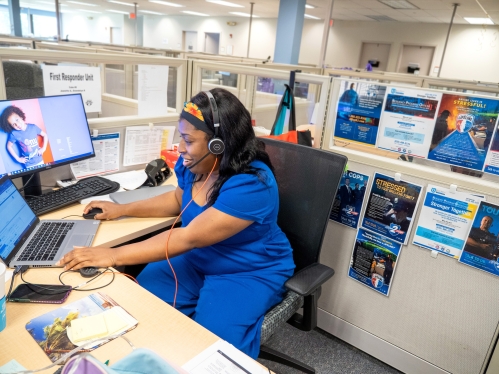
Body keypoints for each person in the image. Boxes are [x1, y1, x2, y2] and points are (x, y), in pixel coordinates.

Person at [56, 88, 295, 359]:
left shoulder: (252, 185)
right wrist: (121, 209)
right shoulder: (196, 165)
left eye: (188, 140)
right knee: (139, 304)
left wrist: (111, 254)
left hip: (246, 270)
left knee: (213, 347)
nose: (181, 148)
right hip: (197, 259)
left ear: (219, 144)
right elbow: (177, 199)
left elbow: (187, 237)